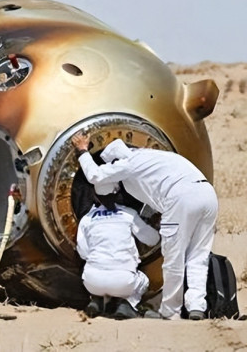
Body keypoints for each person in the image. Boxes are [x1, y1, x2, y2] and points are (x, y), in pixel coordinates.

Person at [71, 136, 219, 321]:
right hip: (207, 194)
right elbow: (153, 194)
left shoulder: (128, 164)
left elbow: (95, 175)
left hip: (180, 199)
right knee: (198, 255)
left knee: (173, 258)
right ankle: (197, 306)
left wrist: (83, 152)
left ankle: (170, 311)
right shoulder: (154, 157)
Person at [76, 182, 160, 320]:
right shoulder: (129, 214)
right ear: (117, 194)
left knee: (93, 269)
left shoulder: (87, 219)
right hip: (123, 282)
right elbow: (152, 239)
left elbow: (83, 252)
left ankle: (96, 300)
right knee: (143, 280)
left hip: (92, 282)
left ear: (95, 197)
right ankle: (128, 304)